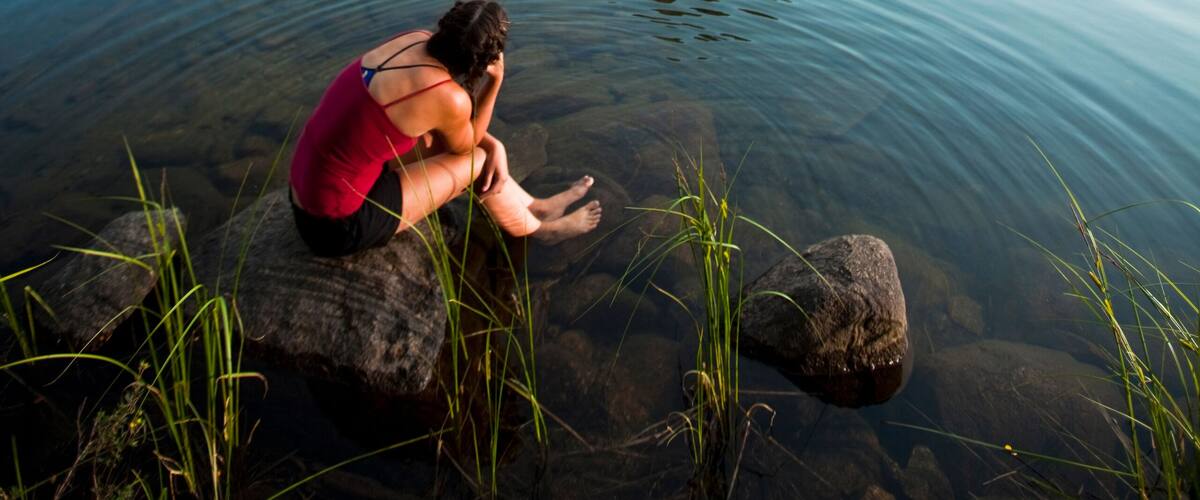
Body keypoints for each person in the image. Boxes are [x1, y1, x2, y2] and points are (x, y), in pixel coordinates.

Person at [289, 0, 601, 257]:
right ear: (487, 58)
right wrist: (495, 83)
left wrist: (497, 146)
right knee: (477, 163)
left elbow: (450, 128)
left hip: (305, 193)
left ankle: (537, 207)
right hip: (335, 226)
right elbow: (466, 147)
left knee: (460, 145)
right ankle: (544, 232)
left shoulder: (411, 39)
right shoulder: (447, 97)